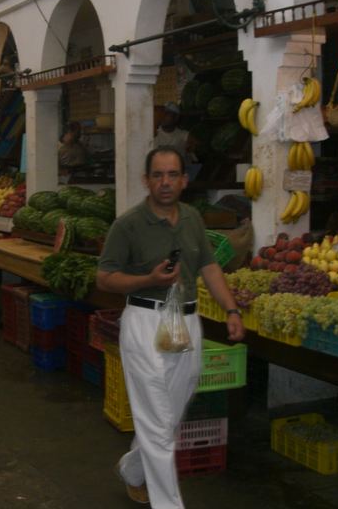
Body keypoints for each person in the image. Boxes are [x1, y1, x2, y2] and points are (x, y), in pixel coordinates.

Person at [96, 146, 244, 509]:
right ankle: (168, 504)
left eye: (172, 174)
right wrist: (147, 278)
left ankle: (133, 469)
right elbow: (104, 278)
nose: (165, 182)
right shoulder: (128, 224)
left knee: (171, 416)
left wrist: (231, 308)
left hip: (185, 321)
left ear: (184, 179)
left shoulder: (193, 217)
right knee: (158, 418)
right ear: (147, 181)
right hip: (145, 321)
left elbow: (209, 267)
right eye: (158, 175)